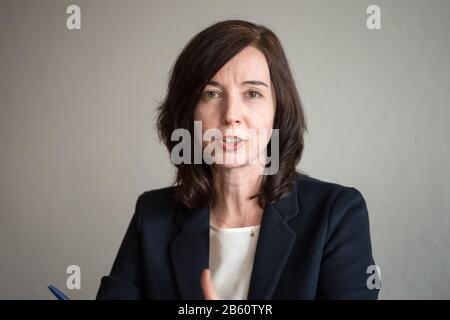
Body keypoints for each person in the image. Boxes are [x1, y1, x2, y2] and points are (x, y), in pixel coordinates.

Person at [96, 20, 379, 300]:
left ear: (278, 111)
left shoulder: (337, 214)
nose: (231, 114)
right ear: (188, 113)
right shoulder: (153, 215)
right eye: (211, 94)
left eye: (252, 93)